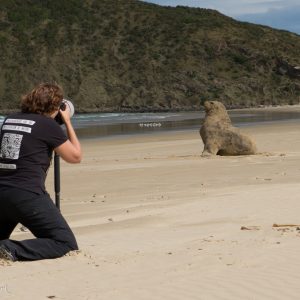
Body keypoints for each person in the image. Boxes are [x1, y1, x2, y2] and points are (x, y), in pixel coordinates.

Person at [0, 83, 82, 261]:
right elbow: (75, 157)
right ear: (55, 106)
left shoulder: (10, 119)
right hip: (27, 195)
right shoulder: (47, 125)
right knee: (65, 243)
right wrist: (66, 121)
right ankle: (9, 248)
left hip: (2, 194)